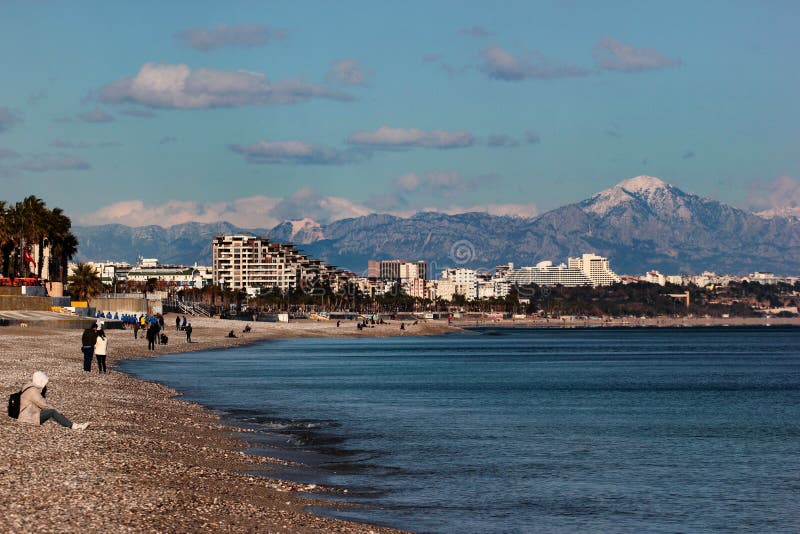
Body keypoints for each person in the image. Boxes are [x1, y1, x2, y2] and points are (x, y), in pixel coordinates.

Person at [18, 371, 89, 430]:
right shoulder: (33, 391)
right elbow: (43, 405)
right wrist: (57, 411)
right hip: (28, 418)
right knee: (52, 412)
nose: (45, 385)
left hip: (26, 415)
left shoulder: (30, 388)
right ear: (40, 380)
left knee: (52, 412)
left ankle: (72, 424)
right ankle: (75, 426)